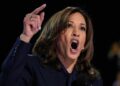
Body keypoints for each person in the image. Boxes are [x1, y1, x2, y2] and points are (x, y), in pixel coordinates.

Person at [0, 3, 103, 86]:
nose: (76, 32)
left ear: (84, 44)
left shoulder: (91, 80)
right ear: (55, 36)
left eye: (82, 28)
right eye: (69, 25)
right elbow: (8, 82)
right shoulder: (33, 67)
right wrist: (25, 36)